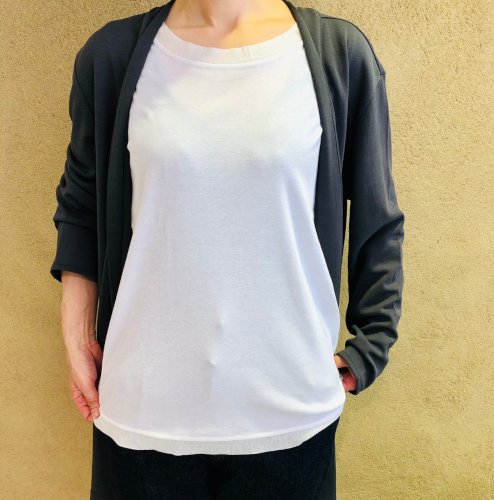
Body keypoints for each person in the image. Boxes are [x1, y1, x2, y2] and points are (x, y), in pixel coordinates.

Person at [50, 0, 405, 498]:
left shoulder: (339, 57)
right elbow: (81, 206)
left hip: (290, 418)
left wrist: (369, 348)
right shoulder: (110, 56)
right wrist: (76, 334)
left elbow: (378, 218)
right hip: (141, 413)